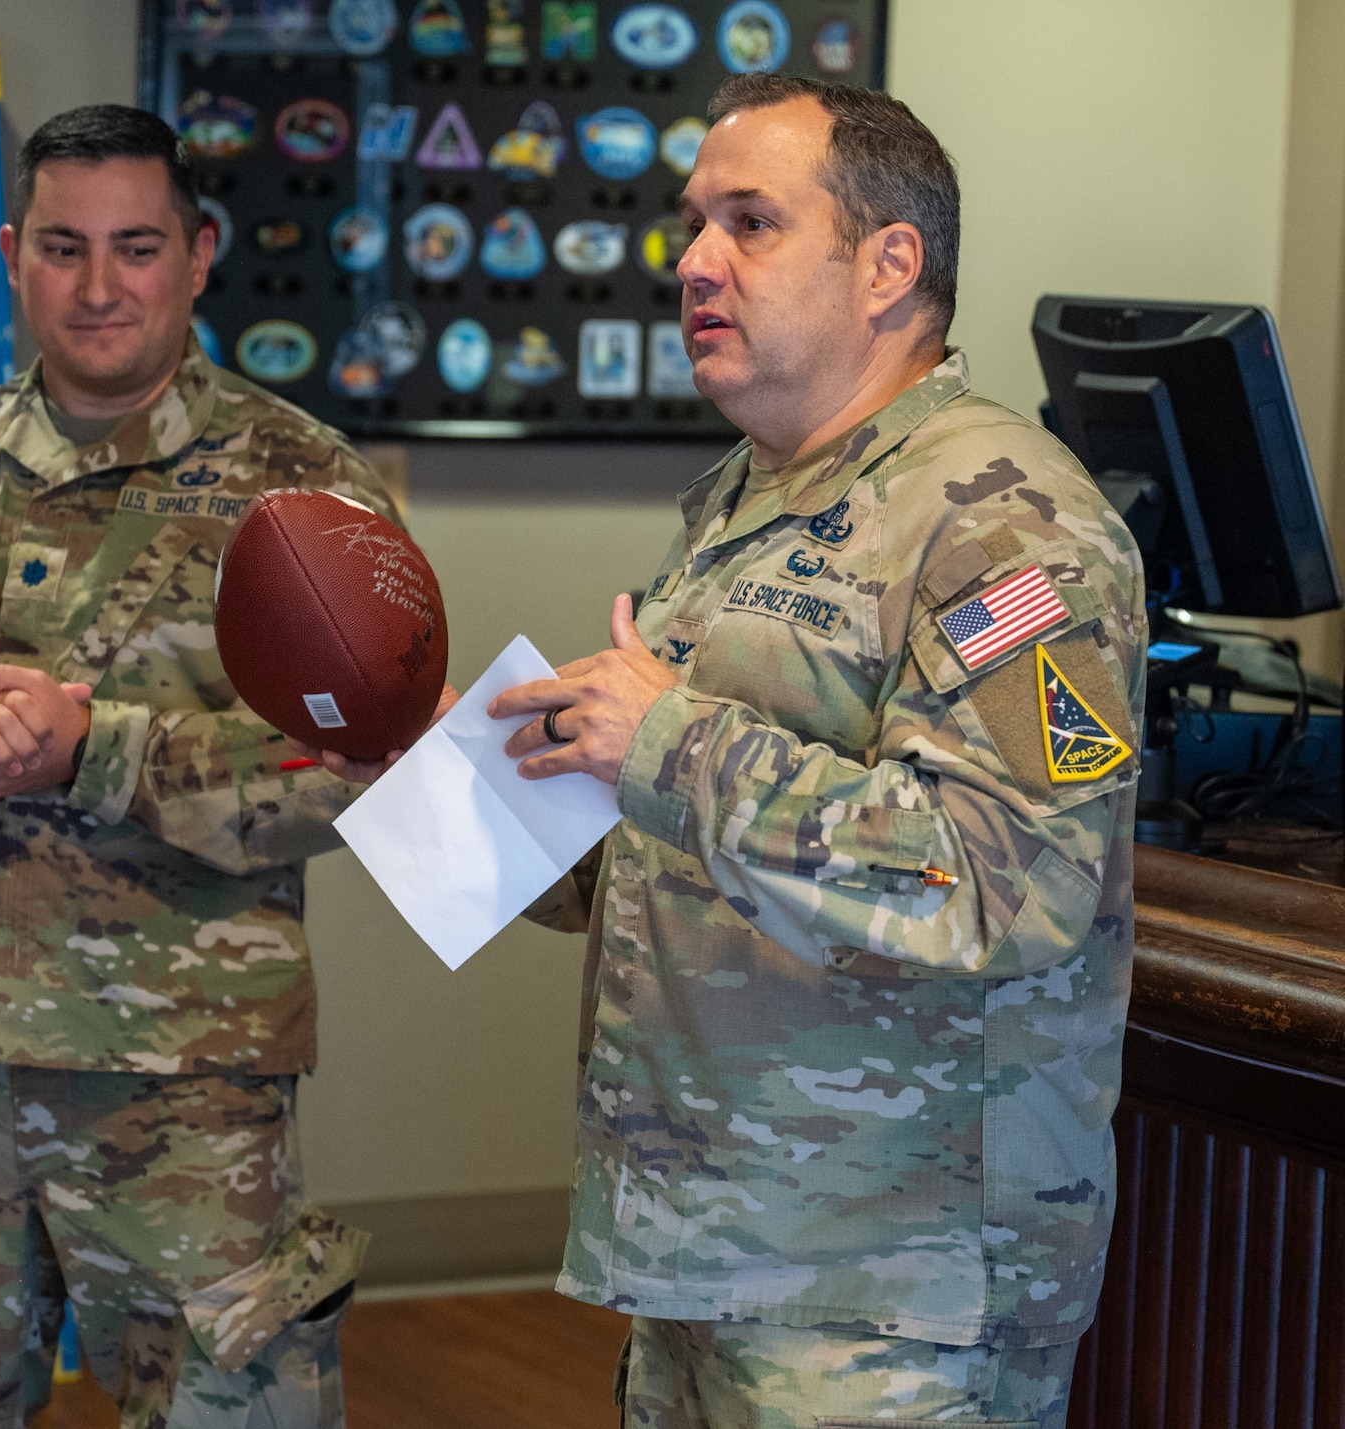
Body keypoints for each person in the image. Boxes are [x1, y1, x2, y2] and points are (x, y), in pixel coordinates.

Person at [328, 75, 1145, 1426]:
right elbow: (655, 860)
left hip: (891, 1296)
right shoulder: (748, 497)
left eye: (750, 222)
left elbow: (1012, 883)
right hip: (704, 1251)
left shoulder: (1005, 523)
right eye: (693, 225)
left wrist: (668, 739)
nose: (695, 261)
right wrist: (442, 766)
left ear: (890, 264)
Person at [0, 104, 396, 1429]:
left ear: (201, 252)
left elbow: (367, 753)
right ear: (11, 253)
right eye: (63, 247)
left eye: (138, 246)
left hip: (184, 1087)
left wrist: (97, 749)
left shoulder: (303, 491)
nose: (100, 287)